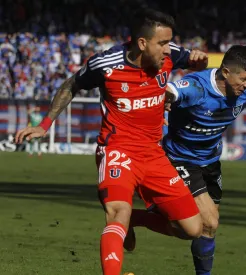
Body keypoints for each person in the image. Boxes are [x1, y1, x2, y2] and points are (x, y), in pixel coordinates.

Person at [15, 9, 209, 275]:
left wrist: (199, 61)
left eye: (169, 43)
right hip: (117, 150)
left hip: (154, 154)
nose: (168, 49)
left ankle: (134, 221)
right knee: (118, 212)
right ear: (142, 43)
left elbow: (195, 62)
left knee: (192, 229)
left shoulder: (171, 54)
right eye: (162, 43)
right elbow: (72, 84)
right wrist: (44, 125)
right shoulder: (106, 64)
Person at [126, 45, 246, 275]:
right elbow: (169, 91)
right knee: (209, 222)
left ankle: (135, 218)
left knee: (197, 230)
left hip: (210, 161)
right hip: (180, 159)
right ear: (226, 72)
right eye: (244, 78)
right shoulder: (197, 87)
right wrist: (163, 102)